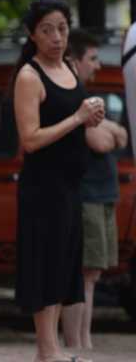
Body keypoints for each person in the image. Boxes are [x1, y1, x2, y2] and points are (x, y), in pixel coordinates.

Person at [12, 0, 104, 362]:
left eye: (62, 28)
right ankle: (47, 349)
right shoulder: (28, 77)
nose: (56, 37)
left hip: (71, 185)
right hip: (42, 187)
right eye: (47, 29)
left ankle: (50, 350)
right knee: (44, 263)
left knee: (65, 264)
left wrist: (92, 118)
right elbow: (30, 139)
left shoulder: (69, 66)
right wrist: (78, 119)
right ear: (32, 34)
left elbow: (76, 117)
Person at [62, 29, 127, 350]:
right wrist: (108, 129)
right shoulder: (75, 99)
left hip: (103, 195)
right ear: (74, 61)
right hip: (87, 196)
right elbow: (103, 141)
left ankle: (83, 340)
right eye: (93, 58)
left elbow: (123, 136)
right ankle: (78, 342)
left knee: (93, 274)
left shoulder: (87, 98)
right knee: (84, 273)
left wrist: (109, 128)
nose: (98, 65)